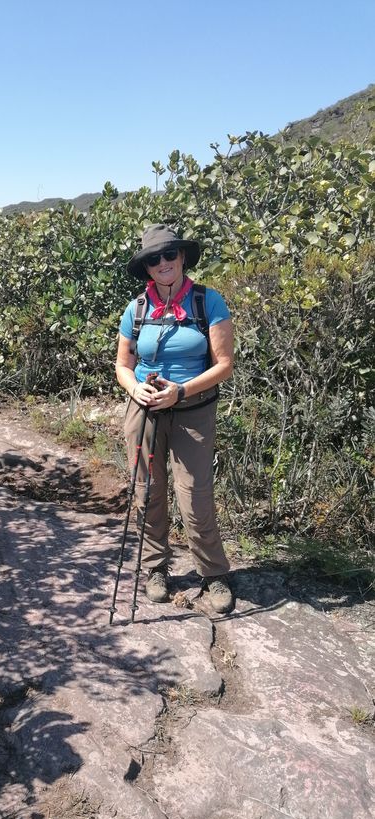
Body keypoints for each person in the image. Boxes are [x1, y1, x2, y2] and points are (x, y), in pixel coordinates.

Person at [116, 224, 234, 613]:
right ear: (147, 267)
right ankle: (155, 568)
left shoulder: (207, 301)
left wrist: (181, 391)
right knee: (146, 490)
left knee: (194, 494)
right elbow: (123, 365)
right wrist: (136, 389)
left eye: (170, 255)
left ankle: (214, 573)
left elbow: (224, 365)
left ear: (183, 257)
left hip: (193, 410)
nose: (163, 263)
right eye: (154, 258)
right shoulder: (136, 310)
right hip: (145, 409)